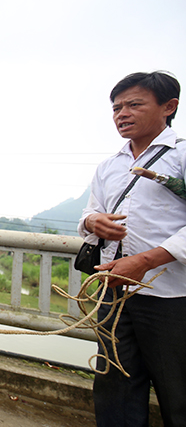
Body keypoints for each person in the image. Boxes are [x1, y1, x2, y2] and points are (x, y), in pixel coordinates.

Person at [78, 71, 186, 426]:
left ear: (168, 107)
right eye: (116, 107)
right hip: (115, 293)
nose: (122, 113)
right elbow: (89, 212)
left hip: (172, 297)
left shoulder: (181, 157)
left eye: (134, 104)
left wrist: (147, 260)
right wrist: (93, 223)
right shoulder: (109, 167)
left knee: (178, 390)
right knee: (114, 386)